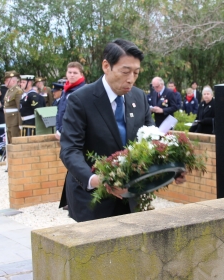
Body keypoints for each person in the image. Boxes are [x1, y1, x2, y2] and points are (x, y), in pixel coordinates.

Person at [59, 39, 185, 222]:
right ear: (106, 66)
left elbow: (150, 142)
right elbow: (70, 150)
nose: (131, 79)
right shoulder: (81, 100)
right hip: (92, 199)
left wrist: (172, 166)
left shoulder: (139, 97)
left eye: (136, 73)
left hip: (131, 195)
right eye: (125, 72)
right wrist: (95, 180)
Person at [55, 62, 86, 139]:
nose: (72, 75)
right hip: (63, 133)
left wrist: (63, 131)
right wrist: (58, 129)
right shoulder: (65, 91)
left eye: (75, 73)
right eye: (70, 72)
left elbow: (77, 116)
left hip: (75, 134)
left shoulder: (84, 91)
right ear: (66, 73)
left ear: (81, 75)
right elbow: (60, 111)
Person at [3, 71, 23, 144]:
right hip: (9, 120)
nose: (5, 82)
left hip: (14, 121)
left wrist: (20, 124)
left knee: (15, 142)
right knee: (10, 141)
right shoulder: (9, 91)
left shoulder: (18, 91)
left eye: (7, 80)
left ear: (13, 80)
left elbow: (19, 108)